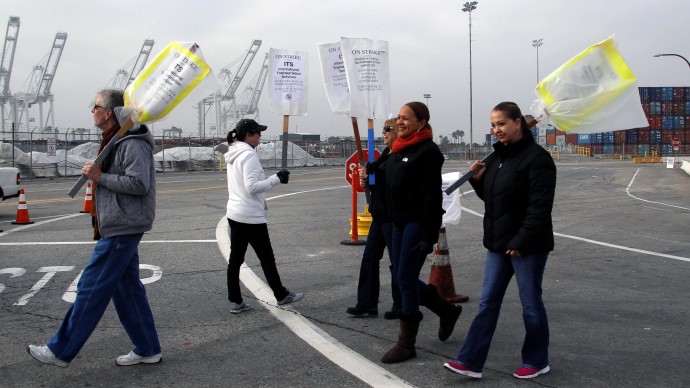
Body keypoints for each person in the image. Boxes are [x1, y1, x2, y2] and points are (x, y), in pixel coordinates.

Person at [28, 88, 162, 367]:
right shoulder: (116, 139)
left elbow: (139, 184)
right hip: (119, 222)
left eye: (96, 105)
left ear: (110, 112)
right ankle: (148, 348)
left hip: (123, 225)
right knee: (127, 291)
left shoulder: (131, 142)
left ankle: (59, 351)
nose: (92, 110)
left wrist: (100, 176)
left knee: (91, 288)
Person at [444, 101, 556, 380]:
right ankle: (470, 361)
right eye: (493, 125)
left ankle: (537, 360)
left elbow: (539, 208)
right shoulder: (497, 159)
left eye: (501, 123)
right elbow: (495, 201)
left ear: (518, 122)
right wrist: (479, 180)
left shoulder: (538, 159)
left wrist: (520, 241)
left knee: (530, 302)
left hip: (527, 246)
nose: (496, 130)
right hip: (498, 243)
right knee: (488, 303)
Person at [375, 102, 462, 364]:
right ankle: (446, 310)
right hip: (395, 222)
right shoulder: (395, 149)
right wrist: (373, 172)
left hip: (416, 222)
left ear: (421, 123)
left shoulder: (427, 152)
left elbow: (431, 196)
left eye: (406, 118)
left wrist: (429, 234)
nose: (400, 122)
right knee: (404, 278)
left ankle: (406, 344)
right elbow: (388, 179)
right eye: (399, 118)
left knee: (404, 277)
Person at [225, 118, 304, 313]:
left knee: (235, 259)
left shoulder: (233, 153)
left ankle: (235, 300)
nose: (260, 137)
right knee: (266, 258)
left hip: (235, 213)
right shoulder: (248, 155)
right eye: (257, 133)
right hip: (250, 216)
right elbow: (251, 187)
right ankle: (281, 294)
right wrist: (276, 179)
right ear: (248, 135)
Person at [347, 118, 402, 319]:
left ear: (398, 130)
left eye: (388, 129)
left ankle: (400, 304)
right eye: (383, 129)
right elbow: (377, 180)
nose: (384, 133)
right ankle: (366, 303)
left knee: (396, 262)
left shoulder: (399, 154)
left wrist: (374, 174)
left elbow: (393, 181)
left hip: (392, 217)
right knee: (370, 259)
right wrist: (368, 177)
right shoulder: (387, 153)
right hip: (379, 216)